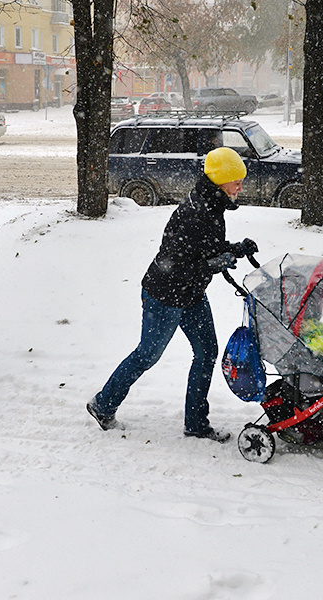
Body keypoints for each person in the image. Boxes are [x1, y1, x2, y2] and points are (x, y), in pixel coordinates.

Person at [87, 147, 259, 442]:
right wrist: (212, 263)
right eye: (236, 181)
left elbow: (205, 249)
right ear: (220, 181)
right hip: (164, 295)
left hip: (190, 294)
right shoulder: (196, 212)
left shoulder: (212, 206)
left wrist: (234, 249)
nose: (240, 187)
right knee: (147, 355)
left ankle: (195, 423)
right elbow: (177, 263)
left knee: (207, 353)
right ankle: (103, 404)